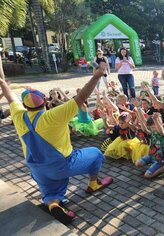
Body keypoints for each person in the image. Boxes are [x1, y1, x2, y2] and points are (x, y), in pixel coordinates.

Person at [0, 57, 113, 224]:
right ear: (44, 102)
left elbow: (10, 97)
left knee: (52, 193)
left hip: (37, 169)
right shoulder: (52, 116)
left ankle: (53, 205)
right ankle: (93, 183)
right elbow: (81, 97)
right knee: (96, 153)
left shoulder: (18, 115)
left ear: (25, 106)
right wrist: (96, 76)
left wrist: (2, 83)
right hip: (62, 165)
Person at [135, 110, 164, 179]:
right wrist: (138, 112)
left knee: (147, 175)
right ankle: (155, 165)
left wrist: (155, 120)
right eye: (151, 128)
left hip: (161, 159)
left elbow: (161, 131)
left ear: (160, 124)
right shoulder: (153, 131)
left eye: (153, 127)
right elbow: (144, 129)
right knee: (137, 163)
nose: (152, 129)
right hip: (152, 156)